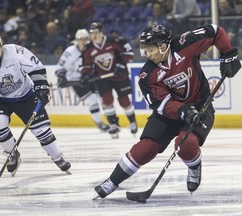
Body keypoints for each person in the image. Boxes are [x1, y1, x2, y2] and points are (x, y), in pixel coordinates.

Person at [94, 24, 241, 198]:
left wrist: (228, 54)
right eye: (145, 50)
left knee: (185, 144)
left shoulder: (186, 43)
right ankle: (112, 181)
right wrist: (182, 110)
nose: (147, 55)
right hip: (169, 113)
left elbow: (216, 31)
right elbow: (161, 105)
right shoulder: (147, 75)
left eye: (150, 50)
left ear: (163, 46)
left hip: (201, 106)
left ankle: (194, 167)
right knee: (145, 148)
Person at [0, 29, 71, 177]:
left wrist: (41, 86)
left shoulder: (15, 51)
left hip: (25, 95)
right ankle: (12, 154)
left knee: (42, 132)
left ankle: (58, 158)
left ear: (1, 44)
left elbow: (37, 67)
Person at [80, 22, 138, 138]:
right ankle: (114, 125)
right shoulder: (88, 48)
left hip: (119, 76)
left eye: (96, 33)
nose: (94, 35)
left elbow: (128, 53)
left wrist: (121, 65)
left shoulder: (115, 41)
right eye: (92, 33)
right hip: (102, 79)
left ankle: (132, 122)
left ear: (102, 33)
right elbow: (86, 64)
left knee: (124, 101)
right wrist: (85, 75)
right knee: (107, 100)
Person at [55, 29, 110, 131]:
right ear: (76, 40)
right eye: (80, 39)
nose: (83, 41)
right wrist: (61, 76)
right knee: (92, 100)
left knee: (104, 98)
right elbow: (60, 66)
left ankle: (111, 120)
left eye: (85, 39)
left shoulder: (92, 49)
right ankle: (100, 123)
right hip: (76, 80)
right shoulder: (70, 51)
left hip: (91, 78)